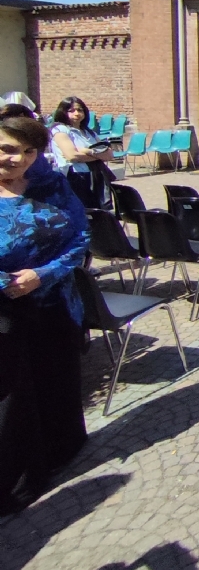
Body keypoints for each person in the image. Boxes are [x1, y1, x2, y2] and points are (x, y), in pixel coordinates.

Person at [0, 108, 89, 515]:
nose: (14, 158)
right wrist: (8, 283)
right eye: (4, 149)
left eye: (24, 151)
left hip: (54, 302)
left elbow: (80, 238)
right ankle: (22, 480)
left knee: (57, 380)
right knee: (16, 398)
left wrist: (44, 273)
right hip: (6, 314)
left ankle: (63, 452)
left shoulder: (53, 186)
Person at [49, 97, 113, 210]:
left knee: (98, 212)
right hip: (75, 176)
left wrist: (86, 151)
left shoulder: (90, 133)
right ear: (63, 112)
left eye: (80, 110)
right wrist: (97, 155)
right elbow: (72, 156)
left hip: (95, 176)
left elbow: (109, 155)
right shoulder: (60, 130)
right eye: (72, 111)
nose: (77, 113)